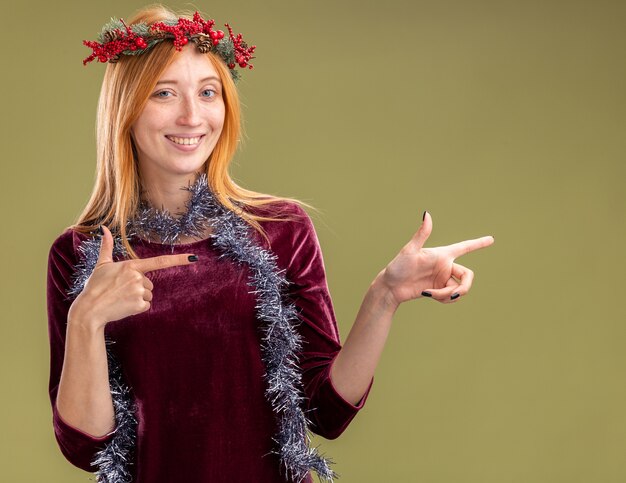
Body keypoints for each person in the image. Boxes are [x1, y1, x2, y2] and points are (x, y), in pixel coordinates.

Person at [46, 5, 495, 483]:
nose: (192, 115)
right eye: (164, 93)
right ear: (126, 108)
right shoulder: (81, 254)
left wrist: (385, 294)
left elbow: (326, 411)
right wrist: (85, 319)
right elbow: (85, 446)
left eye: (208, 92)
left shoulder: (281, 228)